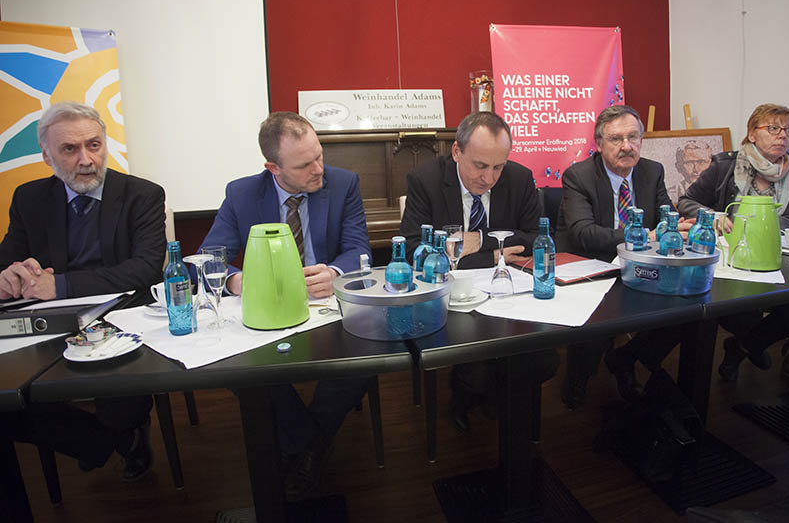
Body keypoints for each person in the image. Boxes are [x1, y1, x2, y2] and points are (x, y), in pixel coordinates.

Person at [199, 111, 371, 500]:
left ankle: (301, 444)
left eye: (320, 156)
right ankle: (309, 442)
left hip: (326, 309)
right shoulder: (242, 193)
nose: (318, 169)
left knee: (365, 353)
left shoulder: (343, 184)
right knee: (238, 367)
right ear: (273, 167)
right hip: (267, 313)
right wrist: (236, 279)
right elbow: (208, 258)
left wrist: (334, 271)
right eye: (304, 164)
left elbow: (358, 249)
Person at [0, 102, 165, 481]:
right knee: (10, 397)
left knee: (117, 381)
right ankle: (102, 440)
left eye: (94, 145)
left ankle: (125, 430)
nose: (86, 159)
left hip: (122, 314)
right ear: (47, 156)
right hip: (50, 321)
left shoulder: (142, 194)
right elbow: (7, 258)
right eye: (70, 150)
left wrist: (58, 284)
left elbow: (143, 270)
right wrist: (6, 278)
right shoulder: (30, 198)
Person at [400, 111, 560, 431]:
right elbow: (414, 251)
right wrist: (496, 254)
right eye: (480, 166)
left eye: (498, 166)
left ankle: (496, 398)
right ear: (457, 152)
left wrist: (478, 241)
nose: (489, 178)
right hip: (453, 297)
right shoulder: (425, 181)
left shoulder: (519, 177)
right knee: (474, 368)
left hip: (511, 294)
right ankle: (465, 399)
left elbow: (535, 240)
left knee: (544, 359)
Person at [555, 105, 690, 406]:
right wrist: (646, 235)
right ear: (599, 144)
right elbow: (583, 233)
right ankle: (579, 376)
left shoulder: (652, 170)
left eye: (633, 137)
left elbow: (665, 214)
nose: (626, 146)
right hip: (592, 265)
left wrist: (677, 226)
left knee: (687, 308)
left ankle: (627, 358)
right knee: (600, 320)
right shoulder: (579, 176)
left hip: (640, 263)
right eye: (616, 139)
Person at [678, 103, 789, 380]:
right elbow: (686, 201)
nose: (782, 136)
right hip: (730, 258)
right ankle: (746, 343)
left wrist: (759, 233)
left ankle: (743, 346)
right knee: (741, 309)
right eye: (773, 128)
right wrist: (712, 217)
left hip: (774, 257)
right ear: (752, 133)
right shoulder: (726, 164)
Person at [668, 139, 712, 205]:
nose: (696, 169)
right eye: (689, 163)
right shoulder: (669, 194)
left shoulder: (720, 192)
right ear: (678, 167)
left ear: (710, 164)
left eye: (701, 162)